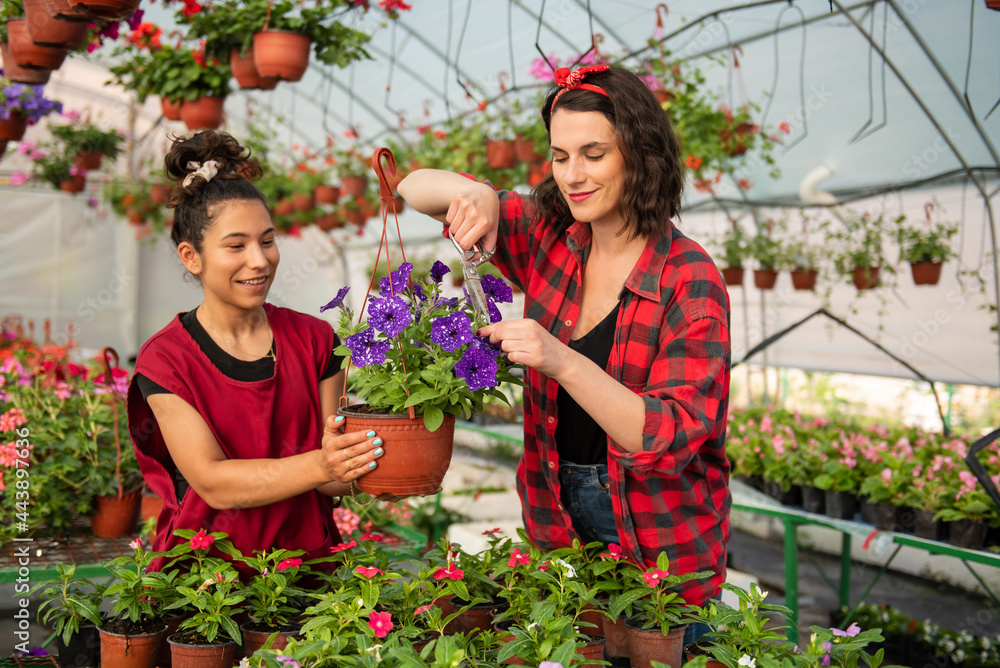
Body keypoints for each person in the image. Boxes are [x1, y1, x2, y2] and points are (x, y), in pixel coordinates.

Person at [398, 64, 732, 644]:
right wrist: (474, 193)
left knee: (659, 650)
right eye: (559, 156)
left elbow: (669, 436)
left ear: (639, 153)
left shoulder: (689, 278)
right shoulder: (554, 237)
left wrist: (562, 360)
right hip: (557, 519)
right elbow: (411, 187)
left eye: (593, 154)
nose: (573, 175)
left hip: (659, 534)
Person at [127, 130, 384, 566]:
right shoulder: (168, 359)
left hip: (307, 572)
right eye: (236, 246)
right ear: (191, 256)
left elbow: (332, 476)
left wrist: (367, 462)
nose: (260, 260)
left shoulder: (315, 340)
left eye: (267, 240)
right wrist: (323, 465)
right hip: (208, 590)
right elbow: (213, 483)